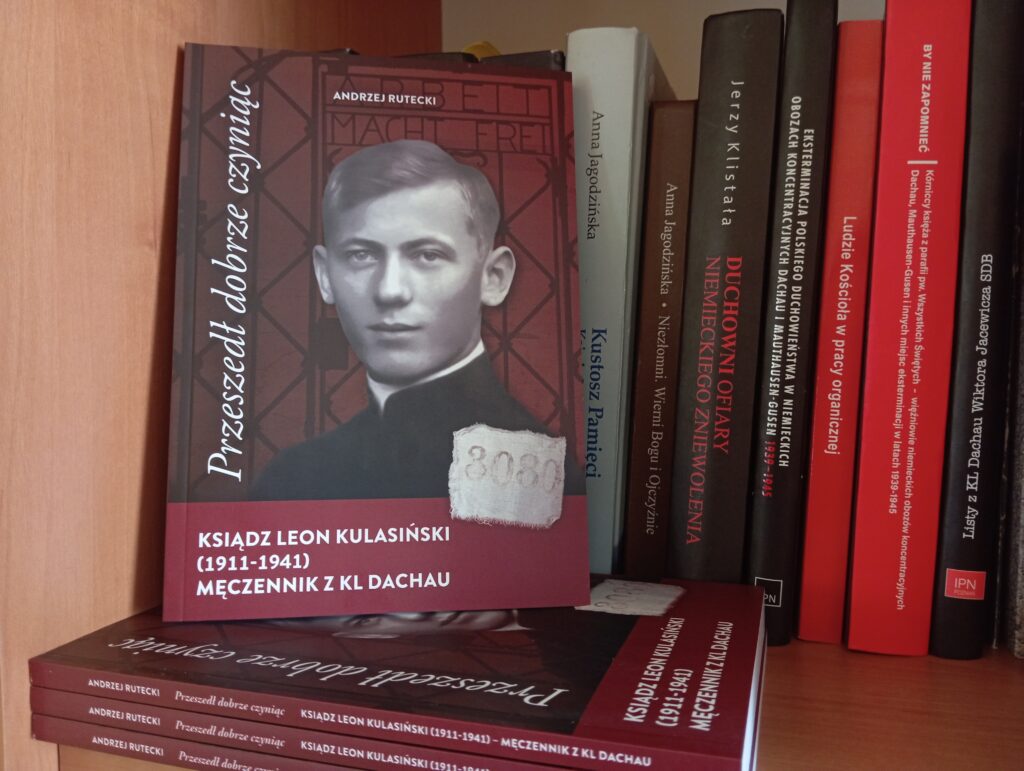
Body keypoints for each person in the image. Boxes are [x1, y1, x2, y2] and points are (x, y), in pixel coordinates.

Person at [250, 140, 582, 500]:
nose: (390, 291)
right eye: (361, 255)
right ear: (325, 275)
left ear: (493, 277)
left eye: (427, 255)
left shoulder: (545, 484)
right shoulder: (291, 480)